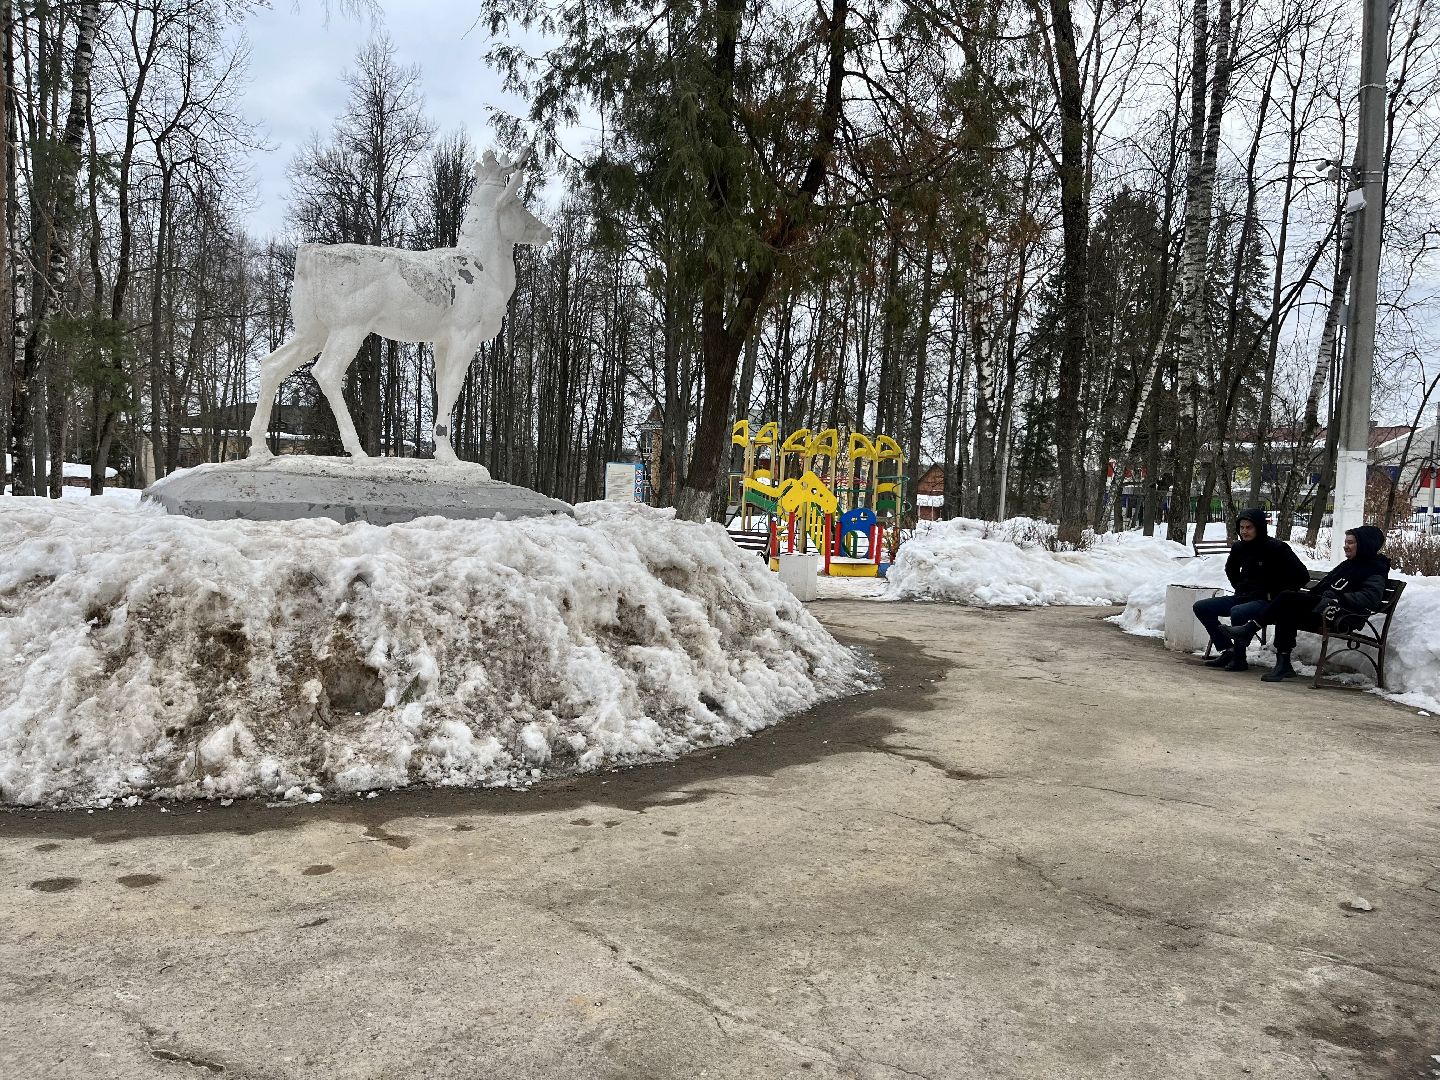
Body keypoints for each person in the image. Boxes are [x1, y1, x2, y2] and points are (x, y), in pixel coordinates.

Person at [1219, 525, 1390, 682]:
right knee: (1286, 609)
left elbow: (1371, 597)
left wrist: (1339, 598)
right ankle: (1283, 664)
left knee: (1286, 598)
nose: (1346, 546)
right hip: (1326, 609)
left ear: (1365, 544)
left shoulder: (1374, 568)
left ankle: (1250, 630)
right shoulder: (1350, 564)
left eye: (1350, 543)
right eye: (1346, 542)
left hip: (1342, 616)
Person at [1193, 509, 1310, 673]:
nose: (1244, 531)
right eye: (1241, 527)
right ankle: (1228, 650)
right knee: (1201, 607)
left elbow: (1302, 576)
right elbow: (1230, 569)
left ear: (1259, 527)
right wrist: (1239, 586)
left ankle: (1239, 659)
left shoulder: (1277, 548)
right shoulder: (1239, 547)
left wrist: (1277, 595)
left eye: (1249, 527)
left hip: (1266, 601)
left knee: (1237, 612)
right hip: (1242, 597)